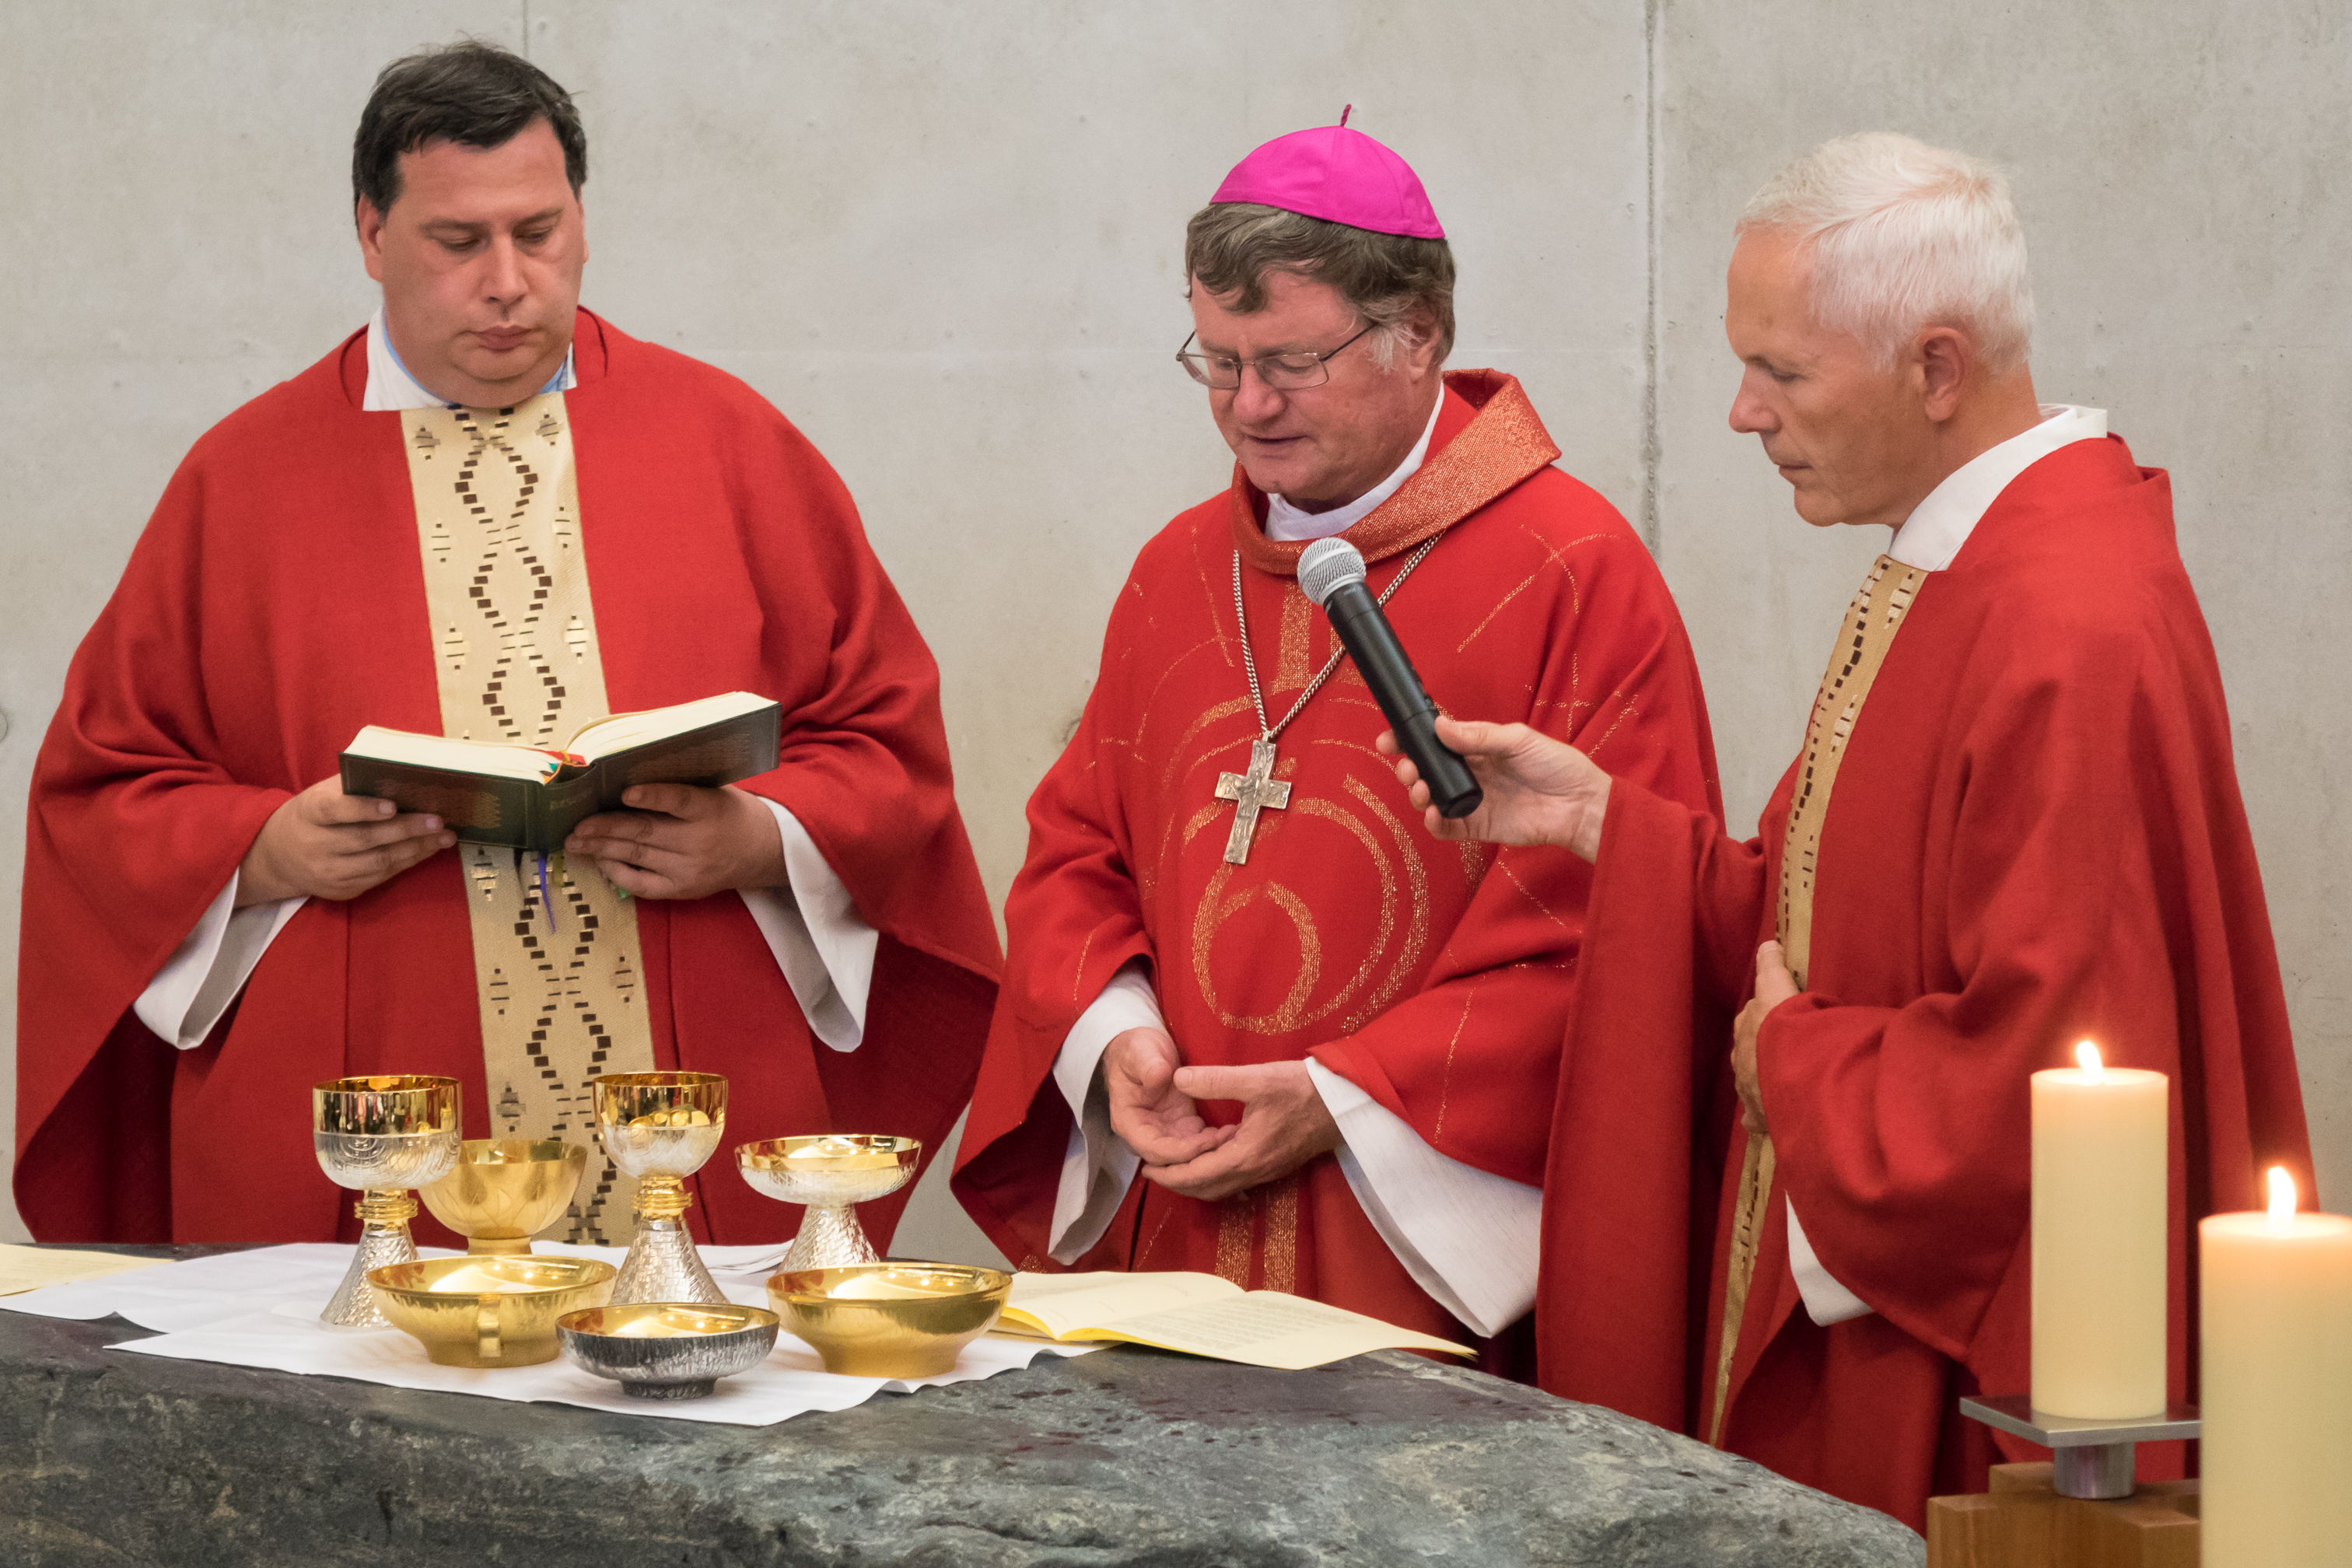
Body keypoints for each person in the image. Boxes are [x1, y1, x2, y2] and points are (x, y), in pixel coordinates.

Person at [1383, 132, 2313, 1528]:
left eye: (1785, 371)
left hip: (1971, 1386)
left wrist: (1791, 1061)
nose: (1742, 412)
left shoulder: (2066, 622)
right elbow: (1833, 922)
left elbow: (2050, 1072)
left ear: (1936, 370)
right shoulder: (1964, 562)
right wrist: (1601, 825)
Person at [16, 41, 1000, 1250]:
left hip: (695, 1096)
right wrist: (263, 850)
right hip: (365, 1108)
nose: (508, 283)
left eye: (539, 233)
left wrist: (760, 838)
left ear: (583, 218)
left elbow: (887, 743)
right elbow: (101, 794)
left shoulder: (730, 445)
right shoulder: (244, 482)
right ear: (371, 235)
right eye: (458, 241)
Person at [953, 117, 1724, 1413]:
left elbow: (1616, 933)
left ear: (1417, 335)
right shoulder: (1175, 571)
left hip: (1418, 1246)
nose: (1246, 406)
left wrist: (1347, 1102)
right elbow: (1078, 855)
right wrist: (1120, 1042)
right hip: (1185, 1213)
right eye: (1219, 360)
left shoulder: (1575, 574)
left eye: (1292, 363)